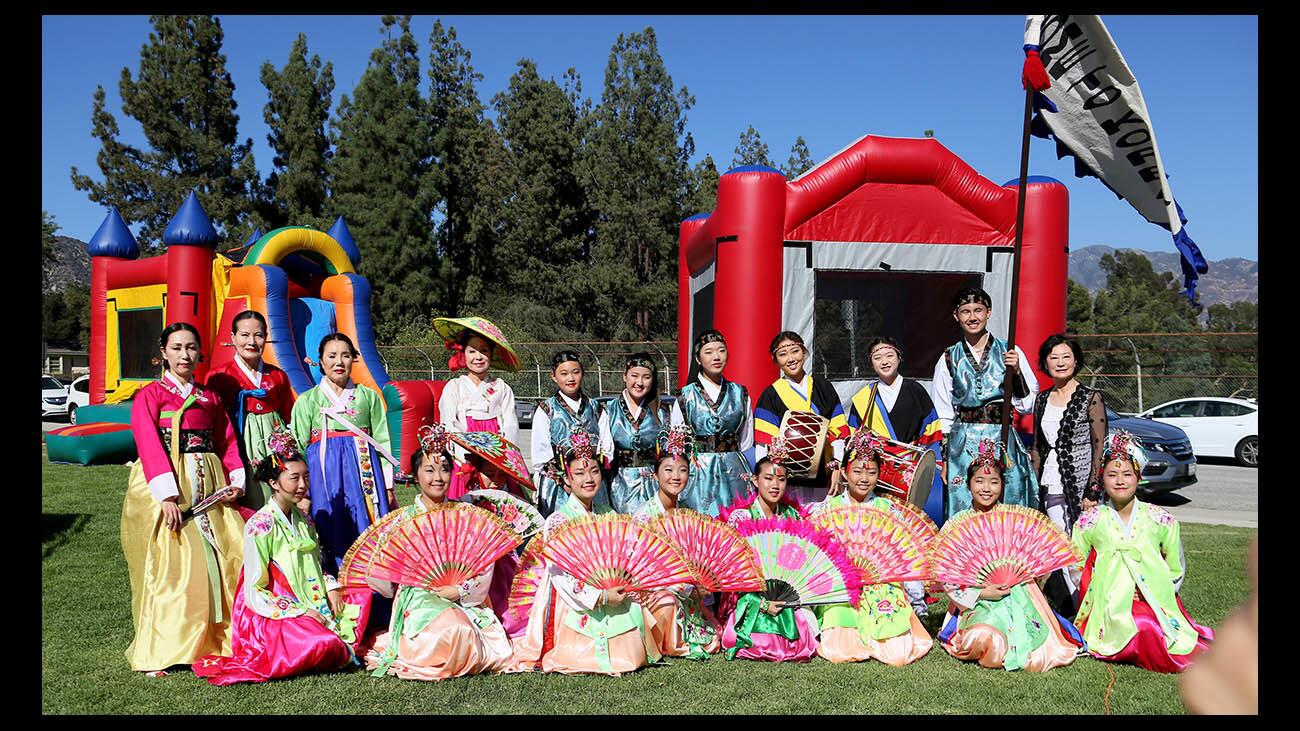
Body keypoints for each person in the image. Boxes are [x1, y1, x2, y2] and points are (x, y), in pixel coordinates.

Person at [121, 323, 247, 675]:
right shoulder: (150, 395)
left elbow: (226, 439)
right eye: (176, 348)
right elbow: (148, 443)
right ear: (163, 352)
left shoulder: (209, 396)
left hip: (209, 480)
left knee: (223, 558)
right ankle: (166, 645)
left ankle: (214, 640)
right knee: (173, 565)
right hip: (171, 482)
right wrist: (167, 497)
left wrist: (234, 477)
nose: (184, 355)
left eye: (191, 348)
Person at [194, 427, 366, 685]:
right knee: (324, 642)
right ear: (273, 483)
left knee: (363, 598)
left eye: (306, 477)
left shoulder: (304, 519)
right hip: (276, 610)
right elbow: (254, 590)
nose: (302, 485)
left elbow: (316, 566)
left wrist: (331, 587)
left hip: (312, 597)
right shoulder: (260, 525)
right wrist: (300, 611)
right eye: (294, 478)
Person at [365, 424, 515, 680]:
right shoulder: (403, 522)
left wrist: (459, 590)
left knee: (463, 630)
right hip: (421, 598)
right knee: (455, 631)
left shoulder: (465, 516)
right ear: (415, 477)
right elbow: (381, 577)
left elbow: (482, 564)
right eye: (429, 470)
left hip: (462, 595)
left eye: (445, 469)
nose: (438, 477)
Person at [507, 430, 661, 675]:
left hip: (609, 589)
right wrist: (599, 597)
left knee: (632, 644)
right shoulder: (558, 521)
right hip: (573, 599)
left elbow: (623, 556)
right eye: (579, 473)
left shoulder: (607, 513)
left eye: (594, 471)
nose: (588, 479)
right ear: (566, 480)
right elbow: (562, 578)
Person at [1071, 431, 1214, 673]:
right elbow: (1075, 564)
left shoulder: (1160, 518)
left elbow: (1175, 565)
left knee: (1148, 624)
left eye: (1127, 474)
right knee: (1138, 626)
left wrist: (1154, 590)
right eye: (1112, 475)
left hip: (1152, 599)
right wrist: (1098, 591)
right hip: (1108, 602)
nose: (1120, 481)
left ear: (1138, 477)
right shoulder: (1091, 520)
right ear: (1101, 479)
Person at [937, 439, 1083, 672]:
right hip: (977, 600)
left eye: (994, 482)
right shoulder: (956, 525)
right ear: (968, 484)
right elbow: (946, 575)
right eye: (979, 481)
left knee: (1044, 644)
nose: (986, 488)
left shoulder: (1012, 520)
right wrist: (983, 592)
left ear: (1002, 486)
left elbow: (1037, 563)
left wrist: (1021, 579)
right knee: (984, 638)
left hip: (1019, 594)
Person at [812, 429, 933, 664]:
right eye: (857, 471)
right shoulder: (827, 511)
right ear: (845, 473)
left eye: (871, 473)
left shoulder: (889, 512)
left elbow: (907, 558)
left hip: (881, 586)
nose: (863, 479)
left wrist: (916, 601)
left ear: (879, 475)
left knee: (898, 654)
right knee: (841, 652)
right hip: (841, 589)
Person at [290, 333, 397, 574]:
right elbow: (298, 447)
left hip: (364, 470)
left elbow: (382, 440)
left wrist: (388, 485)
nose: (339, 362)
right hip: (323, 475)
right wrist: (303, 490)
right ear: (320, 361)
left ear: (353, 360)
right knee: (329, 528)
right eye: (332, 356)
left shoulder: (368, 397)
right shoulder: (308, 401)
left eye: (346, 356)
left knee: (367, 524)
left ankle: (373, 589)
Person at [932, 287, 1039, 518]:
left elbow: (1027, 405)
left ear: (988, 313)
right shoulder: (948, 357)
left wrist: (1017, 372)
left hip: (1002, 437)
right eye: (966, 311)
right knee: (962, 502)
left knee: (1009, 499)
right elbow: (943, 414)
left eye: (978, 310)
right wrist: (946, 458)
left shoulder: (1010, 351)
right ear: (956, 316)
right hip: (962, 444)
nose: (972, 317)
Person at [717, 448, 820, 662]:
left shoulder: (793, 517)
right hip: (749, 596)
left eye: (781, 479)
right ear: (755, 480)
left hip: (784, 596)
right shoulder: (742, 517)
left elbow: (801, 564)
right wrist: (763, 603)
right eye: (768, 478)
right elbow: (735, 570)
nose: (775, 485)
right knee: (760, 641)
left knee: (803, 630)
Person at [1030, 333, 1108, 615]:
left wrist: (1093, 489)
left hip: (1081, 485)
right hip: (1050, 482)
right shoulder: (1041, 400)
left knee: (1087, 548)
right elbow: (1038, 445)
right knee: (1062, 548)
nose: (1060, 363)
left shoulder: (1091, 398)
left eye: (1066, 357)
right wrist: (1035, 479)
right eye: (1053, 357)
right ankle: (1076, 609)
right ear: (1045, 363)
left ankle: (1096, 608)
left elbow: (1099, 445)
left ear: (1076, 361)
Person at [632, 424, 723, 658]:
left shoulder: (688, 513)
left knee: (714, 635)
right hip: (654, 590)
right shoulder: (644, 517)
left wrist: (701, 584)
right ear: (655, 475)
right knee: (668, 601)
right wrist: (684, 587)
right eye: (668, 470)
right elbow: (644, 570)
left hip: (688, 590)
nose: (676, 477)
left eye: (682, 470)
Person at [844, 337, 944, 521]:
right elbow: (853, 438)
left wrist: (935, 465)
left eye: (889, 355)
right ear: (871, 363)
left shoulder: (916, 391)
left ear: (899, 358)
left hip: (911, 470)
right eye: (877, 357)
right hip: (878, 474)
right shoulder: (863, 398)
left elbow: (931, 431)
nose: (884, 361)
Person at [204, 310, 295, 511]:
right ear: (233, 337)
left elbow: (289, 415)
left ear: (266, 338)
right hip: (237, 445)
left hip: (275, 446)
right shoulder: (219, 377)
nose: (251, 341)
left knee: (281, 497)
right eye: (244, 335)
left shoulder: (277, 375)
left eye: (258, 335)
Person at [753, 331, 850, 504]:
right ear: (776, 360)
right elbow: (763, 445)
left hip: (825, 474)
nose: (790, 359)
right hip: (788, 479)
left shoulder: (823, 388)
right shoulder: (770, 395)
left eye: (795, 351)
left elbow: (839, 435)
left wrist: (837, 466)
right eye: (783, 354)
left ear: (804, 352)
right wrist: (769, 480)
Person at [670, 330, 754, 516]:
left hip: (734, 471)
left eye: (721, 350)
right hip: (698, 473)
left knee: (738, 523)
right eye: (708, 352)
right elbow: (677, 444)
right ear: (698, 359)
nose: (716, 357)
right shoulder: (685, 396)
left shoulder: (740, 394)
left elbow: (746, 441)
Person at [438, 321, 521, 500]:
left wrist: (503, 458)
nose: (478, 356)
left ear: (491, 355)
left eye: (484, 350)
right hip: (465, 453)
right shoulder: (454, 387)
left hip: (496, 455)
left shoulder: (502, 388)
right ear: (463, 354)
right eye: (472, 351)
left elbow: (511, 424)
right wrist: (464, 456)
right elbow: (448, 423)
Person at [531, 350, 606, 516]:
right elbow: (541, 455)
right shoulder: (546, 409)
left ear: (583, 373)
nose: (570, 379)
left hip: (590, 483)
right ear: (554, 376)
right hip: (558, 486)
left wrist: (590, 476)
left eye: (575, 372)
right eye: (564, 374)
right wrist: (565, 482)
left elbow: (606, 449)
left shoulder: (596, 409)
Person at [600, 353, 670, 514]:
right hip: (618, 484)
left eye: (646, 377)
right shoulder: (608, 410)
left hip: (654, 485)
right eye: (634, 376)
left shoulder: (662, 411)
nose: (639, 383)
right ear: (625, 376)